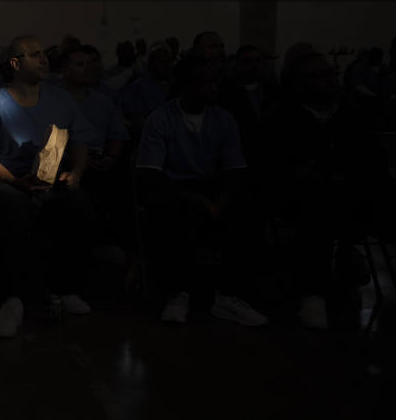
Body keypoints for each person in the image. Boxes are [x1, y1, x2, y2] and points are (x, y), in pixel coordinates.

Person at [0, 35, 96, 338]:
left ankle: (64, 287)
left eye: (44, 54)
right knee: (10, 206)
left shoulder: (60, 99)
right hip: (10, 183)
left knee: (79, 205)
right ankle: (12, 300)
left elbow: (79, 141)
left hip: (51, 181)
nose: (44, 60)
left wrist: (76, 172)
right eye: (35, 55)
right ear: (15, 63)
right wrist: (18, 182)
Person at [136, 56, 267, 327]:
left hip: (211, 185)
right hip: (172, 186)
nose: (212, 89)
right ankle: (177, 294)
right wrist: (193, 198)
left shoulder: (223, 119)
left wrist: (220, 201)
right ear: (185, 86)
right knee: (167, 210)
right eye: (203, 84)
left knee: (246, 209)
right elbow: (151, 172)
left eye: (213, 83)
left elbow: (234, 169)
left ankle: (228, 295)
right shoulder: (160, 119)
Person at [260, 52, 389, 329]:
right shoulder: (280, 117)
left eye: (330, 73)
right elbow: (276, 168)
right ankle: (314, 292)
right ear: (298, 84)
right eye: (317, 76)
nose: (328, 81)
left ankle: (343, 255)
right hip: (298, 198)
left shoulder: (353, 113)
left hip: (352, 196)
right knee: (320, 200)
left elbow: (372, 161)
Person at [62, 45, 132, 260]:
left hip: (99, 160)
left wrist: (110, 157)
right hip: (66, 163)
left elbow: (117, 135)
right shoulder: (52, 99)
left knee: (122, 181)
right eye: (80, 64)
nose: (87, 69)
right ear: (65, 69)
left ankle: (112, 244)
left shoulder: (103, 102)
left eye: (89, 64)